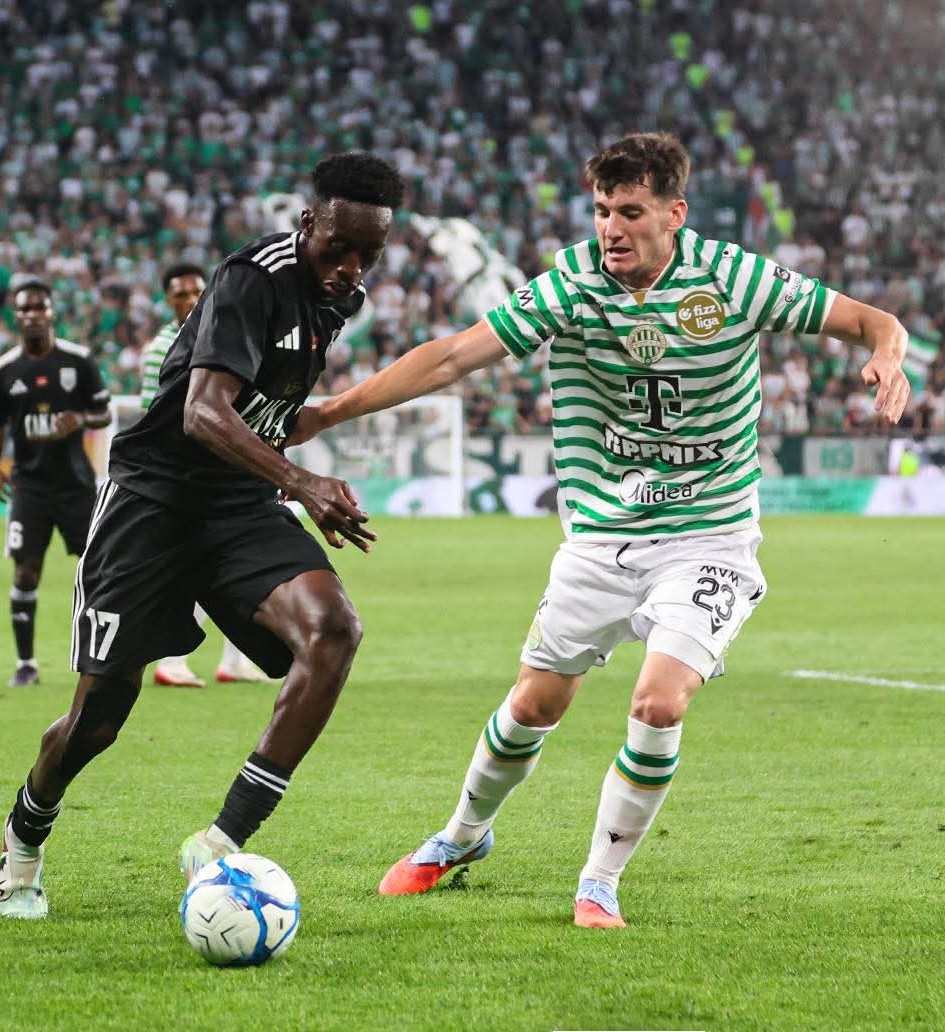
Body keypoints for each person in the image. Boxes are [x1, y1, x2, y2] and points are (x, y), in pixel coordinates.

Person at [291, 132, 910, 928]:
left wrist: (888, 356)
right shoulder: (572, 285)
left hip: (709, 537)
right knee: (532, 707)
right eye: (601, 211)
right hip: (600, 536)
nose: (611, 229)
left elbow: (872, 321)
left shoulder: (733, 278)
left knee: (659, 704)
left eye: (630, 212)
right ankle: (462, 836)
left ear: (674, 213)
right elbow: (451, 358)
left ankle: (599, 880)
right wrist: (333, 412)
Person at [0, 152, 405, 919]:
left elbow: (270, 409)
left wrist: (317, 429)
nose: (350, 268)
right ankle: (24, 836)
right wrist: (304, 483)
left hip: (238, 504)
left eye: (368, 254)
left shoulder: (336, 297)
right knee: (98, 720)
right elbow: (202, 412)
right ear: (307, 222)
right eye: (338, 247)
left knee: (333, 631)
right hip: (151, 505)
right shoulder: (252, 278)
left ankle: (221, 842)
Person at [141, 262, 274, 688]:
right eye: (180, 294)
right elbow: (157, 415)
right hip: (190, 473)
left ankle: (234, 660)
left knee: (246, 559)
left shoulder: (223, 332)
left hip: (231, 467)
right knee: (209, 564)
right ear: (167, 300)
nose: (191, 300)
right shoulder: (162, 347)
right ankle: (172, 659)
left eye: (197, 291)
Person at [0, 278, 112, 687]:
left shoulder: (78, 360)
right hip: (29, 488)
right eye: (25, 309)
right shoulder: (3, 370)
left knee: (98, 570)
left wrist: (81, 419)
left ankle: (101, 659)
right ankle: (26, 664)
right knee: (25, 573)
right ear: (16, 316)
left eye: (39, 307)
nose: (33, 315)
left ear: (52, 312)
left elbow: (105, 413)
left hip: (76, 485)